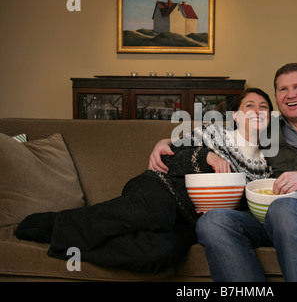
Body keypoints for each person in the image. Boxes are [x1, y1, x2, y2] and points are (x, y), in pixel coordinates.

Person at [15, 88, 273, 274]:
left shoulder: (266, 169)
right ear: (236, 116)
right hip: (160, 189)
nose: (258, 110)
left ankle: (64, 240)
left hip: (190, 221)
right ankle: (55, 225)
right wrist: (207, 156)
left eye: (264, 107)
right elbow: (167, 160)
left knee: (160, 253)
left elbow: (246, 215)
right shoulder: (212, 133)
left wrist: (220, 208)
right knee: (158, 213)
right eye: (250, 105)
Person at [149, 63, 297, 281]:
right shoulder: (265, 126)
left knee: (284, 208)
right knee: (212, 221)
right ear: (276, 97)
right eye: (283, 89)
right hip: (263, 220)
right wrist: (167, 142)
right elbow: (220, 135)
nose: (291, 94)